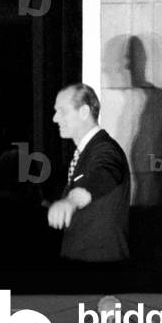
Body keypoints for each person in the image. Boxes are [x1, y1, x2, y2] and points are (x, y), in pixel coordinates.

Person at [47, 83, 132, 292]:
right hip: (83, 267)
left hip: (98, 271)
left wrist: (71, 201)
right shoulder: (86, 152)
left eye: (62, 111)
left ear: (84, 112)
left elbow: (102, 176)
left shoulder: (105, 150)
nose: (55, 118)